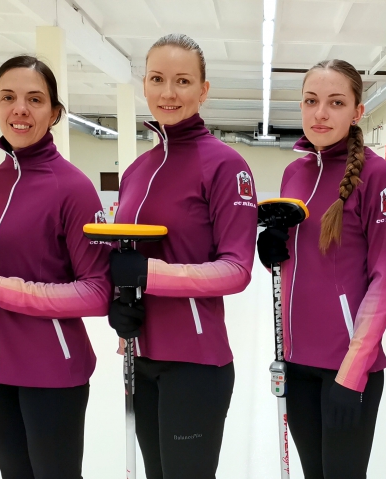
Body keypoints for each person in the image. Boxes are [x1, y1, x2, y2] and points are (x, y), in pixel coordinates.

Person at [0, 55, 112, 479]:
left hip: (53, 372)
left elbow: (97, 292)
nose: (20, 109)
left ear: (54, 112)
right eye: (8, 97)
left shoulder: (74, 188)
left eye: (35, 99)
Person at [108, 34, 257, 479]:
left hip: (195, 363)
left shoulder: (226, 166)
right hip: (140, 356)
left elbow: (236, 270)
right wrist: (119, 302)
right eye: (157, 79)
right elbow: (124, 254)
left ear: (203, 90)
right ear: (144, 85)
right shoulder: (136, 171)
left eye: (183, 81)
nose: (168, 92)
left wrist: (149, 274)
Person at [257, 59, 386, 479]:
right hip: (297, 363)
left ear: (357, 111)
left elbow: (383, 281)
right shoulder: (293, 173)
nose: (320, 113)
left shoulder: (378, 176)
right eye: (311, 101)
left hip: (347, 366)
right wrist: (273, 254)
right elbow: (304, 269)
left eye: (335, 102)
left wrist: (352, 374)